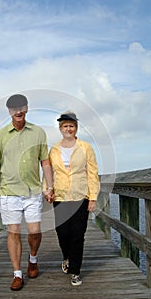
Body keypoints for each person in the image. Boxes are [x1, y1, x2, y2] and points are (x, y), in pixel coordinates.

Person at [0, 94, 53, 291]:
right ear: (9, 112)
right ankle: (17, 273)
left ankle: (33, 258)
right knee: (13, 232)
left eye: (21, 107)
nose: (18, 112)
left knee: (35, 231)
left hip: (32, 192)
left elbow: (45, 162)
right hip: (9, 192)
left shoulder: (39, 132)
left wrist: (49, 186)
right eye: (14, 109)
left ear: (27, 108)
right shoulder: (0, 135)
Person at [44, 111, 100, 286]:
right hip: (60, 196)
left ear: (76, 128)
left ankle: (75, 271)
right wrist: (46, 190)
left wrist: (92, 197)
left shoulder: (85, 147)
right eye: (65, 126)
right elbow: (48, 172)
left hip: (80, 196)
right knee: (62, 233)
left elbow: (92, 173)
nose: (68, 129)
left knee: (77, 235)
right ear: (60, 129)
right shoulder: (54, 149)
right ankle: (66, 257)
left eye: (72, 126)